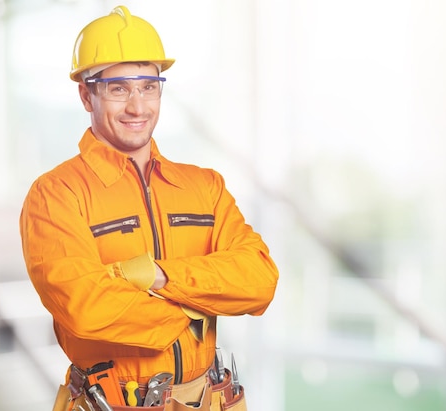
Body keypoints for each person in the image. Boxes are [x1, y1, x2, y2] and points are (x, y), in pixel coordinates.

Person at [19, 5, 278, 410]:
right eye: (119, 88)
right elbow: (86, 308)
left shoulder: (204, 186)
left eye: (149, 86)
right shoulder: (56, 194)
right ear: (86, 94)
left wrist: (159, 276)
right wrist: (201, 303)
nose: (138, 107)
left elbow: (260, 281)